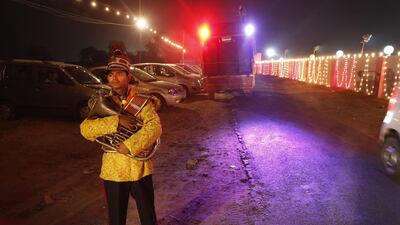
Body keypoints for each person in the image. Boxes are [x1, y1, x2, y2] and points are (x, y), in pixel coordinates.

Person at [80, 52, 162, 225]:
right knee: (116, 220)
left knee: (149, 218)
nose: (114, 78)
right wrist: (117, 121)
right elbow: (86, 130)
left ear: (128, 76)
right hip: (113, 171)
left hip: (140, 169)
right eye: (110, 74)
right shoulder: (103, 103)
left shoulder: (142, 102)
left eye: (119, 73)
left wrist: (129, 145)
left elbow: (155, 127)